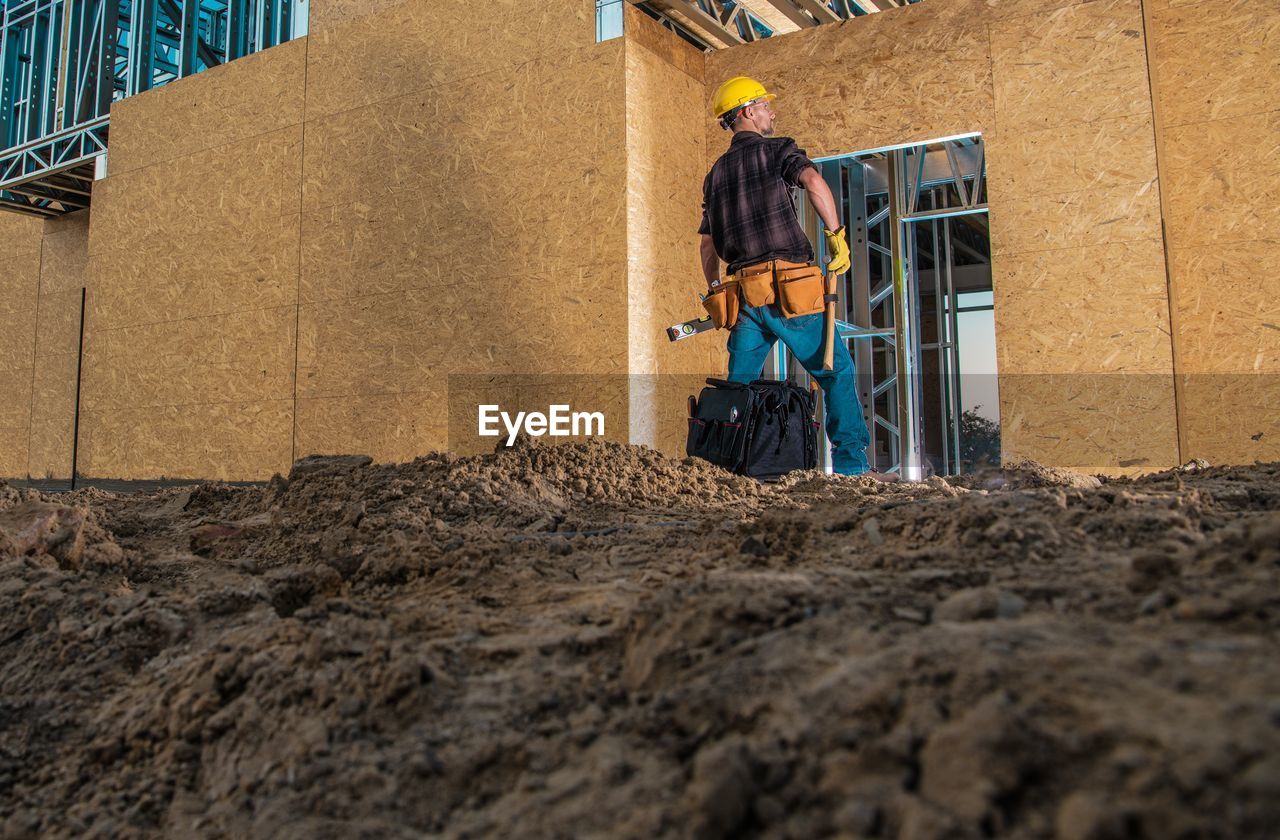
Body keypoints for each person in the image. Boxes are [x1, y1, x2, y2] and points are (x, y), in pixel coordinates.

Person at [698, 76, 876, 477]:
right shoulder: (779, 150)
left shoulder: (715, 174)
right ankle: (851, 468)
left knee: (736, 390)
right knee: (837, 373)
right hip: (790, 293)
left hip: (743, 299)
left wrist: (713, 289)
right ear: (746, 112)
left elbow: (708, 245)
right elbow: (813, 181)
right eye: (763, 105)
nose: (770, 111)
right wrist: (837, 236)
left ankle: (723, 473)